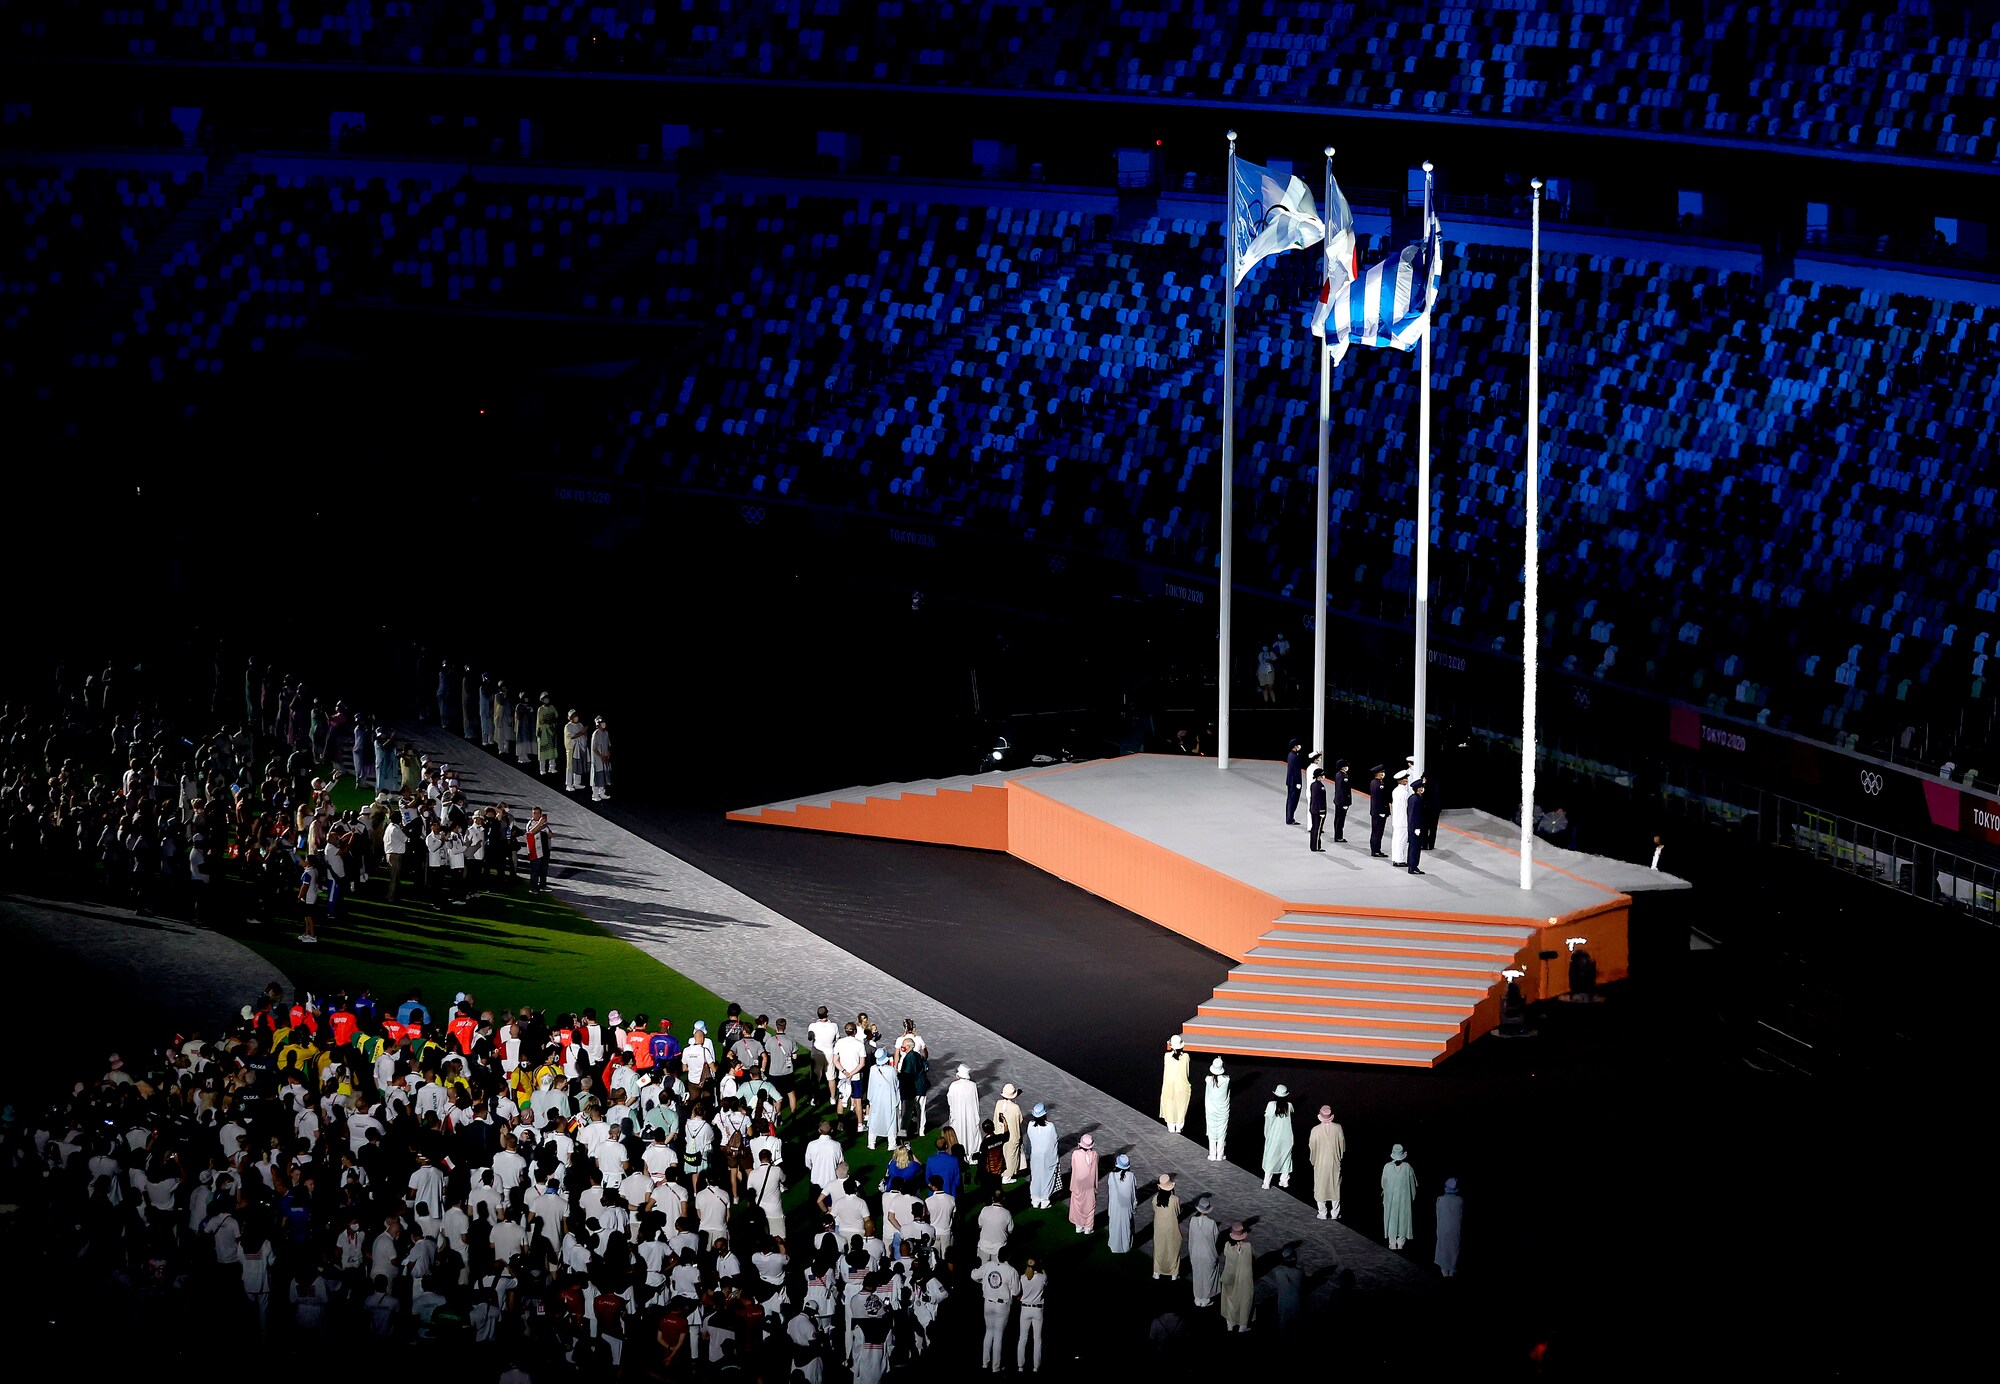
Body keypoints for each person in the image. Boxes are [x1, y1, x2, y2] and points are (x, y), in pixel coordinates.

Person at [974, 1253, 1021, 1373]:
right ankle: (995, 1367)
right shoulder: (1011, 1270)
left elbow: (974, 1275)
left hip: (988, 1303)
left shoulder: (988, 1265)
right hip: (1001, 1305)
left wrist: (983, 1281)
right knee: (998, 1335)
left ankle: (985, 1363)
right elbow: (1016, 1291)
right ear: (1008, 1257)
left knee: (988, 1333)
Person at [1309, 1104, 1346, 1220]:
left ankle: (1322, 1212)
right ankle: (1335, 1213)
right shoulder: (1338, 1128)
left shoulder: (1315, 1130)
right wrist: (1339, 1158)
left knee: (1320, 1186)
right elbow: (1342, 1145)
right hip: (1334, 1161)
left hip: (1320, 1162)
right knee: (1335, 1186)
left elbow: (1312, 1147)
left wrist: (1313, 1161)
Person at [1187, 1194, 1221, 1307]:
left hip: (1195, 1252)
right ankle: (1205, 1297)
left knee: (1198, 1274)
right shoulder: (1211, 1223)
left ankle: (1198, 1297)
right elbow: (1215, 1237)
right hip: (1207, 1253)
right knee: (1208, 1275)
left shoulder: (1193, 1220)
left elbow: (1191, 1238)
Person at [1382, 1143, 1418, 1250]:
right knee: (1403, 1219)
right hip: (1403, 1200)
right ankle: (1400, 1242)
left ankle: (1392, 1242)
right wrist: (1412, 1197)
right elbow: (1413, 1185)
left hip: (1391, 1200)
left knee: (1392, 1220)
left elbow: (1383, 1183)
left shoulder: (1387, 1167)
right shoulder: (1408, 1167)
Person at [1219, 1222, 1253, 1332]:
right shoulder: (1247, 1247)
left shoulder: (1228, 1246)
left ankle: (1230, 1324)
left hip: (1229, 1275)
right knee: (1244, 1299)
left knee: (1229, 1299)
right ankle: (1243, 1324)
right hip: (1243, 1278)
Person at [1016, 1257, 1048, 1372]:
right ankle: (1036, 1367)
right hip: (1037, 1310)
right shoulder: (1042, 1277)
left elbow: (1018, 1291)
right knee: (1037, 1340)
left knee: (1022, 1339)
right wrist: (1042, 1268)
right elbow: (1045, 1282)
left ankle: (1020, 1366)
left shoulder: (1022, 1278)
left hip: (1025, 1309)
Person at [864, 1050, 900, 1150]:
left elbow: (871, 1084)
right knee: (891, 1119)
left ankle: (871, 1143)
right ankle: (891, 1144)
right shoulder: (891, 1070)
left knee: (874, 1119)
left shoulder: (873, 1069)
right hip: (889, 1098)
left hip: (876, 1098)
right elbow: (895, 1083)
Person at [1025, 1104, 1058, 1210]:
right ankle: (1044, 1200)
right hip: (1047, 1155)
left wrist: (1029, 1152)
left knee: (1035, 1176)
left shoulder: (1030, 1125)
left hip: (1035, 1155)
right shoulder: (1050, 1126)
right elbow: (1054, 1141)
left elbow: (1029, 1141)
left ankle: (1035, 1199)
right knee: (1046, 1177)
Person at [1261, 1085, 1294, 1189]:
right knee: (1286, 1157)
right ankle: (1284, 1181)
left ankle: (1267, 1182)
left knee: (1271, 1157)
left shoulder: (1271, 1105)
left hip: (1274, 1135)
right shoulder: (1289, 1105)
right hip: (1287, 1136)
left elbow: (1268, 1121)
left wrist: (1267, 1134)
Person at [1150, 1174, 1181, 1281]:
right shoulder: (1175, 1199)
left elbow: (1155, 1209)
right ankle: (1173, 1273)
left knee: (1159, 1247)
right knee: (1173, 1247)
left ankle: (1157, 1272)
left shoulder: (1155, 1199)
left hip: (1159, 1226)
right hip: (1171, 1226)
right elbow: (1177, 1212)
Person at [946, 1064, 981, 1160]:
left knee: (958, 1133)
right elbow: (976, 1101)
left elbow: (950, 1099)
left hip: (958, 1115)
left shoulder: (954, 1085)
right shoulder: (973, 1085)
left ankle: (959, 1154)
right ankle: (971, 1154)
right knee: (970, 1134)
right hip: (970, 1115)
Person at [992, 1083, 1024, 1185]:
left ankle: (1001, 1171)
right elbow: (1020, 1120)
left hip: (999, 1132)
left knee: (1001, 1153)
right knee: (1011, 1155)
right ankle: (1007, 1176)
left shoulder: (999, 1103)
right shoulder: (1015, 1107)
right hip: (1011, 1135)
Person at [1158, 1034, 1190, 1133]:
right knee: (1181, 1105)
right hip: (1181, 1086)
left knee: (1170, 1105)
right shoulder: (1186, 1057)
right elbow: (1187, 1072)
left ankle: (1171, 1126)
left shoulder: (1167, 1056)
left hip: (1169, 1086)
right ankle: (1179, 1126)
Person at [1066, 1134, 1097, 1234]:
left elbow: (1074, 1166)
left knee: (1077, 1205)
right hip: (1089, 1185)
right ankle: (1088, 1227)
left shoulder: (1076, 1154)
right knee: (1090, 1205)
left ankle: (1078, 1226)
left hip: (1078, 1184)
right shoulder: (1095, 1155)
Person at [1105, 1155, 1136, 1254]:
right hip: (1127, 1206)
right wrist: (1134, 1205)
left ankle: (1114, 1245)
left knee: (1114, 1224)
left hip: (1115, 1205)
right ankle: (1126, 1246)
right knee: (1126, 1225)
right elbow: (1133, 1193)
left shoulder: (1112, 1175)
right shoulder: (1131, 1176)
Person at [1203, 1057, 1230, 1161]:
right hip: (1222, 1110)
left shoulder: (1208, 1079)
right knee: (1222, 1131)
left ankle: (1212, 1154)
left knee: (1212, 1131)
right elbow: (1225, 1076)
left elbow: (1211, 1077)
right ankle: (1220, 1155)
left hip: (1211, 1110)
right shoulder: (1226, 1080)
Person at [1435, 1176, 1463, 1277]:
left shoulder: (1440, 1200)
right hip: (1455, 1230)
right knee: (1454, 1250)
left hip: (1443, 1228)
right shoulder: (1460, 1200)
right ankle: (1451, 1271)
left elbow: (1438, 1216)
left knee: (1443, 1249)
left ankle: (1445, 1273)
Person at [1389, 767, 1413, 867]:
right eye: (1404, 779)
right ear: (1400, 780)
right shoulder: (1404, 793)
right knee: (1401, 841)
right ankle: (1400, 860)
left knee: (1396, 840)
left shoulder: (1395, 790)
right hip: (1403, 821)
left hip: (1396, 820)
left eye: (1406, 778)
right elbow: (1406, 808)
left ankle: (1395, 859)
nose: (1406, 780)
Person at [535, 692, 562, 780]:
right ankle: (542, 769)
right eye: (545, 698)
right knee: (543, 749)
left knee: (552, 750)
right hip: (544, 732)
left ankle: (552, 767)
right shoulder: (540, 709)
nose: (547, 700)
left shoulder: (552, 707)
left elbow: (556, 716)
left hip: (552, 731)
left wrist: (553, 722)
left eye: (547, 698)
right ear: (542, 700)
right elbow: (539, 722)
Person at [1406, 777, 1429, 875]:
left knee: (1413, 846)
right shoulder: (1416, 799)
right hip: (1416, 827)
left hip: (1414, 826)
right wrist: (1416, 827)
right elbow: (1413, 814)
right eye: (1421, 787)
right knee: (1415, 847)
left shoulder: (1413, 798)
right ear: (1418, 789)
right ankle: (1413, 867)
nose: (1422, 789)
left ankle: (1411, 865)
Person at [563, 709, 589, 793]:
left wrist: (584, 732)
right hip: (571, 748)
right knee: (570, 766)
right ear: (570, 717)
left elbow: (584, 734)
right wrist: (582, 732)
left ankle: (577, 783)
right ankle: (568, 784)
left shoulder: (580, 724)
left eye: (576, 715)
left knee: (578, 765)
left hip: (579, 748)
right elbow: (573, 736)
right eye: (574, 716)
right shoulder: (568, 726)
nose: (576, 717)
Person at [1367, 765, 1391, 857]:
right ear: (1378, 774)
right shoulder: (1379, 784)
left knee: (1375, 831)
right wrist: (1382, 811)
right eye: (1381, 772)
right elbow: (1379, 799)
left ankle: (1375, 849)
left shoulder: (1374, 782)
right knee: (1378, 832)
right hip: (1379, 812)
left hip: (1375, 811)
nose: (1383, 774)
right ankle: (1376, 850)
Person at [589, 715, 613, 802]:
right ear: (597, 724)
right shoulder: (595, 734)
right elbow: (594, 748)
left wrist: (608, 754)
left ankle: (602, 792)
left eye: (603, 722)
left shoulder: (606, 733)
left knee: (604, 775)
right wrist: (601, 756)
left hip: (605, 758)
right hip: (597, 759)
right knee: (597, 775)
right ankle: (595, 794)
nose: (603, 724)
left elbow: (608, 744)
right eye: (601, 723)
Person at [1307, 766, 1328, 852]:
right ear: (1319, 776)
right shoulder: (1320, 786)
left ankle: (1313, 846)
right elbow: (1320, 800)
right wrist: (1322, 811)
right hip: (1319, 810)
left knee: (1314, 828)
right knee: (1318, 829)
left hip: (1313, 809)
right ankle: (1316, 846)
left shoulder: (1313, 784)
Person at [1331, 757, 1352, 842]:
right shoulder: (1344, 776)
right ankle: (1338, 836)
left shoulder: (1338, 774)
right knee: (1340, 819)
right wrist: (1345, 803)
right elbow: (1343, 791)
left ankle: (1337, 835)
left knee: (1337, 818)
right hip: (1342, 801)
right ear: (1343, 767)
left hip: (1338, 800)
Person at [1283, 738, 1304, 824]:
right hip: (1294, 782)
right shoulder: (1295, 757)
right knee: (1293, 801)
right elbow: (1296, 771)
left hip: (1290, 781)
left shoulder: (1290, 755)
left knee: (1290, 800)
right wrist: (1298, 782)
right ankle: (1290, 819)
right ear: (1295, 746)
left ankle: (1289, 818)